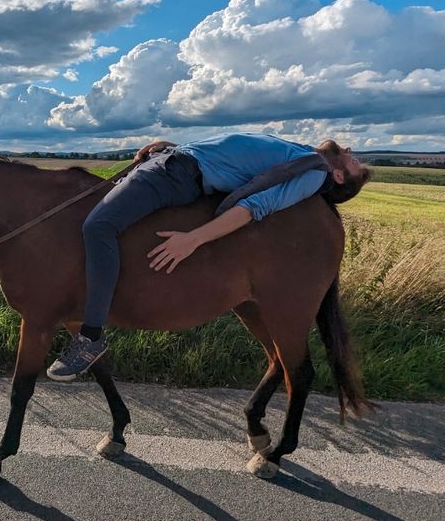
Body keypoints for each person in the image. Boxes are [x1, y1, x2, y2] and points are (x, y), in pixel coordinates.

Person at [46, 132, 371, 382]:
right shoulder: (300, 154)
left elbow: (255, 207)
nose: (351, 152)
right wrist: (171, 147)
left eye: (353, 162)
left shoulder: (313, 173)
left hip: (175, 175)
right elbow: (231, 157)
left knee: (98, 226)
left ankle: (90, 337)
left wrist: (194, 239)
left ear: (339, 177)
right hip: (175, 162)